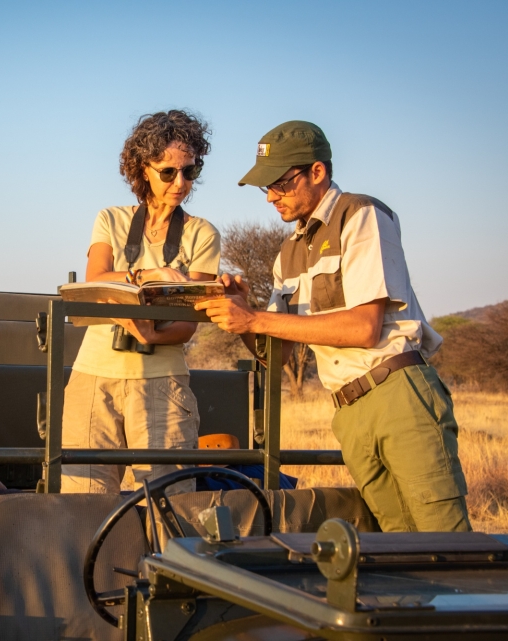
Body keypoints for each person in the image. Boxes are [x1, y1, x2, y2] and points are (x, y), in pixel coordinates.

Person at [195, 120, 470, 532]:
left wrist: (255, 318)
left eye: (280, 183)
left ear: (317, 171)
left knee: (444, 536)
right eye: (265, 187)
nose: (271, 197)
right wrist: (242, 314)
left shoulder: (361, 215)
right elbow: (276, 355)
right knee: (396, 541)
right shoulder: (288, 252)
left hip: (397, 394)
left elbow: (364, 328)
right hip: (347, 410)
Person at [61, 110, 221, 494]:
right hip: (93, 377)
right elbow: (96, 280)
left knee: (169, 504)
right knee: (83, 502)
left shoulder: (202, 233)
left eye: (190, 171)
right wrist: (154, 275)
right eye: (168, 172)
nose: (180, 183)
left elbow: (188, 324)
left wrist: (151, 334)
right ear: (142, 169)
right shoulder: (111, 219)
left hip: (162, 381)